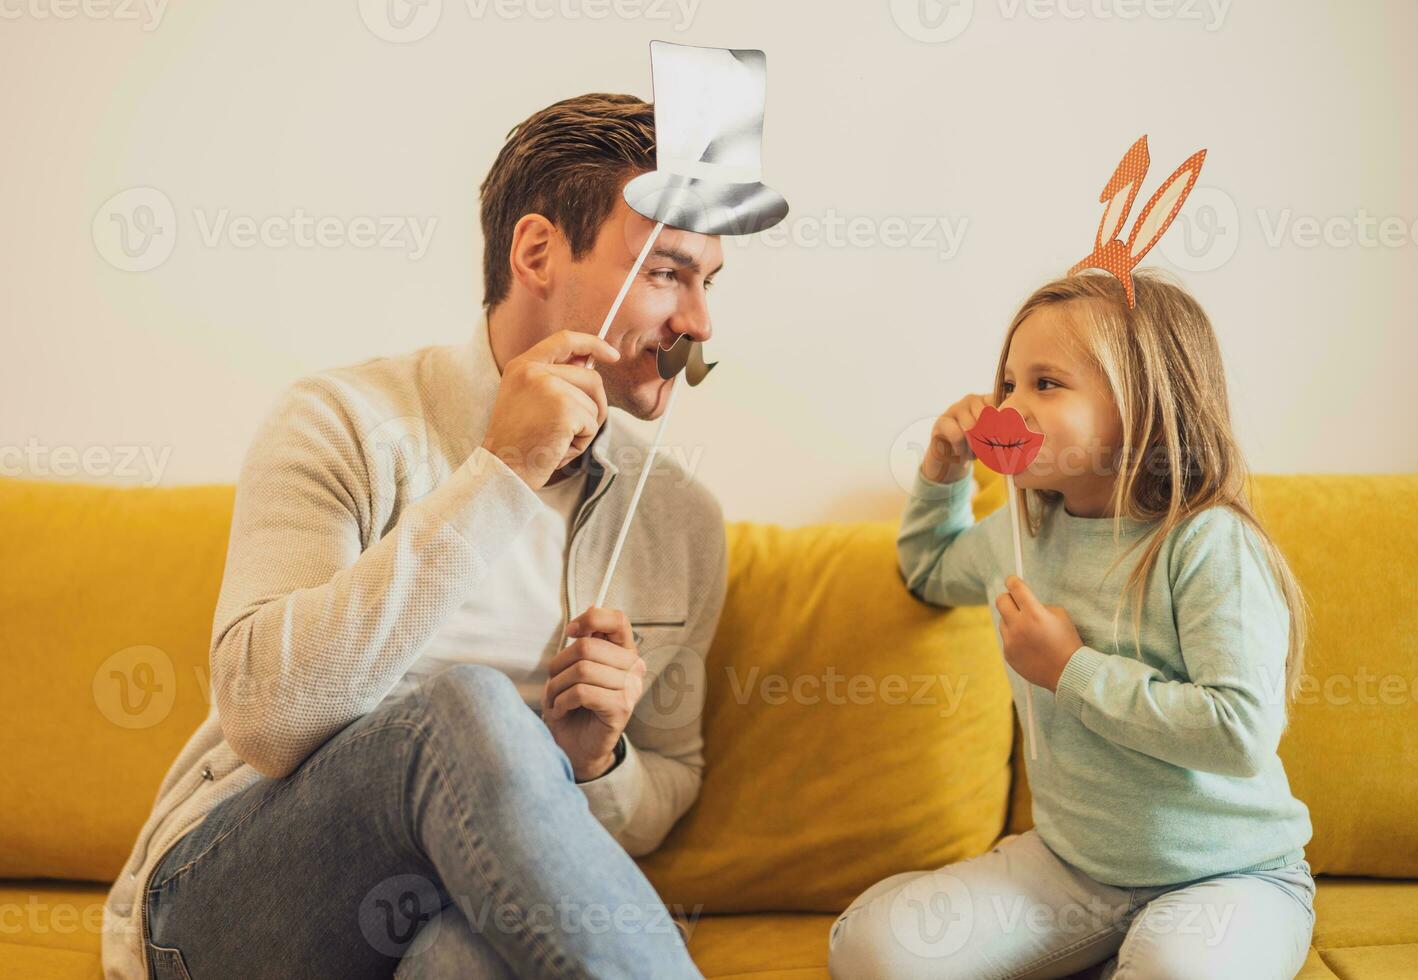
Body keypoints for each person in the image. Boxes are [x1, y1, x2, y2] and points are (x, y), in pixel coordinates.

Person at [102, 92, 728, 980]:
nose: (700, 323)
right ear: (538, 252)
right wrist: (501, 475)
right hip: (225, 902)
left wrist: (595, 764)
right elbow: (266, 717)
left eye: (711, 282)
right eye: (667, 272)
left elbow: (669, 783)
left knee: (463, 959)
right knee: (464, 705)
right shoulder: (342, 421)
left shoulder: (681, 524)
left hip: (461, 909)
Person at [828, 270, 1316, 980]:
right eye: (1007, 384)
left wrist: (1070, 669)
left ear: (1143, 403)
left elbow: (1240, 733)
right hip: (1074, 870)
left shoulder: (1206, 542)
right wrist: (942, 472)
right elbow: (929, 570)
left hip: (1232, 875)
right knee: (871, 950)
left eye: (1045, 384)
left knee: (1177, 971)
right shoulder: (1025, 528)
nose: (1008, 406)